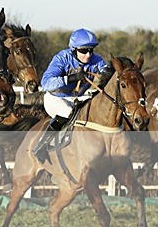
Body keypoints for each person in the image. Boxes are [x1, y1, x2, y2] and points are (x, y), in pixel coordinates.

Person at [34, 28, 109, 163]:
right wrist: (71, 78)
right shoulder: (61, 58)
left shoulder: (96, 60)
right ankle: (42, 145)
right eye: (83, 51)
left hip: (77, 98)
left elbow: (108, 74)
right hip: (56, 98)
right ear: (73, 50)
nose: (88, 55)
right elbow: (45, 83)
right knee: (68, 112)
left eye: (91, 50)